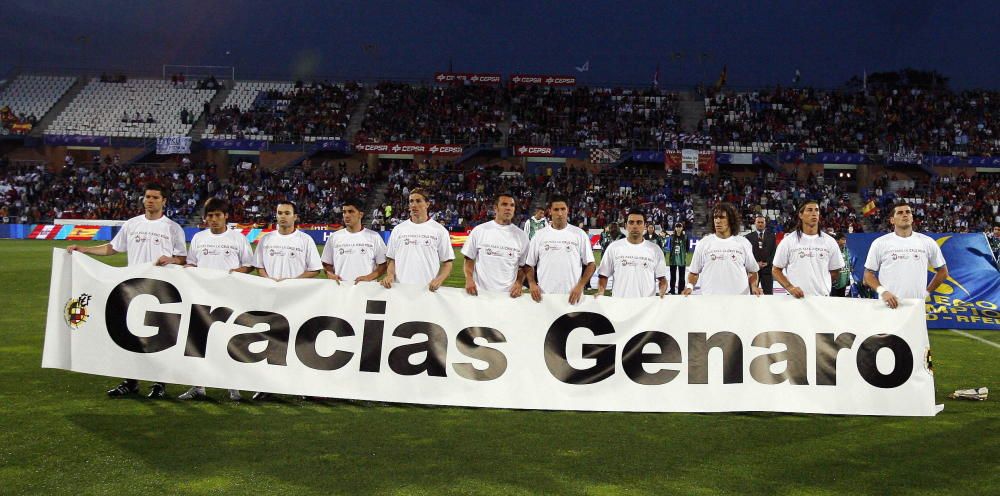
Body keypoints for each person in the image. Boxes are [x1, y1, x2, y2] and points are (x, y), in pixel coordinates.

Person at [67, 183, 187, 398]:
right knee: (129, 335)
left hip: (161, 289)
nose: (150, 200)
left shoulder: (172, 228)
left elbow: (183, 259)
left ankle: (159, 383)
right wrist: (84, 249)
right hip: (133, 288)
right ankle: (130, 381)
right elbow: (111, 248)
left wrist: (172, 259)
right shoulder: (132, 224)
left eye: (155, 197)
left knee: (158, 337)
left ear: (164, 201)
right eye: (148, 197)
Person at [178, 198, 253, 401]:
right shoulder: (198, 239)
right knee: (198, 342)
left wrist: (235, 272)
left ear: (226, 216)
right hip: (201, 298)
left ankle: (233, 386)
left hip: (230, 299)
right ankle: (198, 386)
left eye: (218, 215)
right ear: (205, 218)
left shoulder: (238, 239)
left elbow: (248, 265)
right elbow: (191, 264)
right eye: (210, 216)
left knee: (229, 342)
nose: (213, 219)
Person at [252, 200, 322, 401]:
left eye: (287, 213)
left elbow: (314, 269)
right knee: (272, 341)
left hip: (298, 299)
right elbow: (259, 266)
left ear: (295, 216)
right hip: (272, 298)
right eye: (279, 212)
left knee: (300, 341)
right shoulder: (266, 240)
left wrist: (291, 283)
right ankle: (268, 386)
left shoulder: (305, 240)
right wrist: (269, 281)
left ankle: (301, 386)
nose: (282, 216)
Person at [863, 202, 948, 309]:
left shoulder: (927, 242)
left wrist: (926, 293)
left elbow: (943, 271)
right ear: (892, 220)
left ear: (912, 218)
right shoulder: (880, 243)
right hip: (889, 305)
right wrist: (883, 292)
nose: (905, 215)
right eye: (900, 213)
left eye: (908, 212)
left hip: (916, 306)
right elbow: (867, 274)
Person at [524, 195, 596, 304]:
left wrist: (581, 286)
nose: (560, 213)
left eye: (563, 209)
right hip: (545, 298)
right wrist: (532, 284)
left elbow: (591, 264)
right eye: (556, 209)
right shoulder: (539, 235)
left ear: (568, 210)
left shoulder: (579, 234)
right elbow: (529, 265)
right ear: (550, 211)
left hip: (572, 297)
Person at [381, 188, 454, 291]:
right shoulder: (398, 230)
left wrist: (439, 279)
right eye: (411, 201)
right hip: (400, 290)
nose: (414, 205)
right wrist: (390, 275)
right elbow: (392, 259)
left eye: (418, 201)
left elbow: (447, 263)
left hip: (427, 291)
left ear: (427, 204)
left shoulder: (440, 231)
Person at [683, 203, 761, 296]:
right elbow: (694, 272)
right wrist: (689, 287)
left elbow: (752, 271)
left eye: (722, 217)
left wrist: (754, 287)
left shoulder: (743, 243)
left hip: (739, 301)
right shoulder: (704, 243)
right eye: (715, 217)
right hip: (710, 301)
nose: (718, 221)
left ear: (731, 220)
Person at [771, 200, 844, 298]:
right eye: (809, 210)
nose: (814, 213)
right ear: (800, 215)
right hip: (796, 299)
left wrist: (821, 283)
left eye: (816, 210)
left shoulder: (830, 241)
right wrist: (790, 287)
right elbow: (776, 270)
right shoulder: (788, 241)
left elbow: (835, 271)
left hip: (822, 298)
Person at [461, 193, 529, 297]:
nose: (508, 208)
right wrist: (469, 279)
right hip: (480, 294)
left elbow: (523, 267)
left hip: (508, 296)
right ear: (495, 208)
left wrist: (519, 283)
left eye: (512, 205)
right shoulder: (479, 231)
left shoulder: (522, 236)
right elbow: (469, 259)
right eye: (504, 204)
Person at [596, 209, 668, 298]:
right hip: (620, 305)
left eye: (639, 222)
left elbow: (662, 279)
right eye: (631, 222)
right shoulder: (614, 248)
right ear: (626, 226)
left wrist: (662, 293)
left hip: (646, 307)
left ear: (645, 226)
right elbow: (603, 275)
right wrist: (600, 292)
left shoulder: (655, 250)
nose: (635, 226)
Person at [321, 198, 387, 285]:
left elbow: (383, 264)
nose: (346, 215)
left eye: (351, 211)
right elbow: (326, 263)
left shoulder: (374, 237)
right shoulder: (334, 237)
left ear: (360, 214)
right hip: (341, 289)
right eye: (344, 212)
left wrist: (368, 277)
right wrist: (330, 274)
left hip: (366, 290)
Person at [745, 215, 776, 294]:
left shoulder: (772, 236)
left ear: (765, 223)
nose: (760, 224)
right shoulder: (748, 237)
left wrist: (768, 262)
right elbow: (748, 254)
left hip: (767, 269)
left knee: (768, 294)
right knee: (753, 294)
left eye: (762, 222)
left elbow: (773, 252)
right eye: (758, 222)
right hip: (753, 270)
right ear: (755, 223)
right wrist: (755, 263)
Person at [666, 223, 688, 295]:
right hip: (673, 259)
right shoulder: (671, 237)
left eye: (680, 227)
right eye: (677, 227)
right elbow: (668, 247)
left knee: (682, 276)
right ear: (675, 228)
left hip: (681, 259)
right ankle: (672, 289)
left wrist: (684, 254)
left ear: (682, 228)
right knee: (673, 276)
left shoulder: (685, 237)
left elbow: (687, 248)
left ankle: (681, 290)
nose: (678, 228)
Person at [831, 233, 853, 297]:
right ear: (837, 240)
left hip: (844, 281)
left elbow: (848, 263)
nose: (844, 241)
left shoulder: (846, 250)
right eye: (843, 239)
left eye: (845, 240)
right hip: (835, 283)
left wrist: (848, 277)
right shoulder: (833, 250)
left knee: (842, 301)